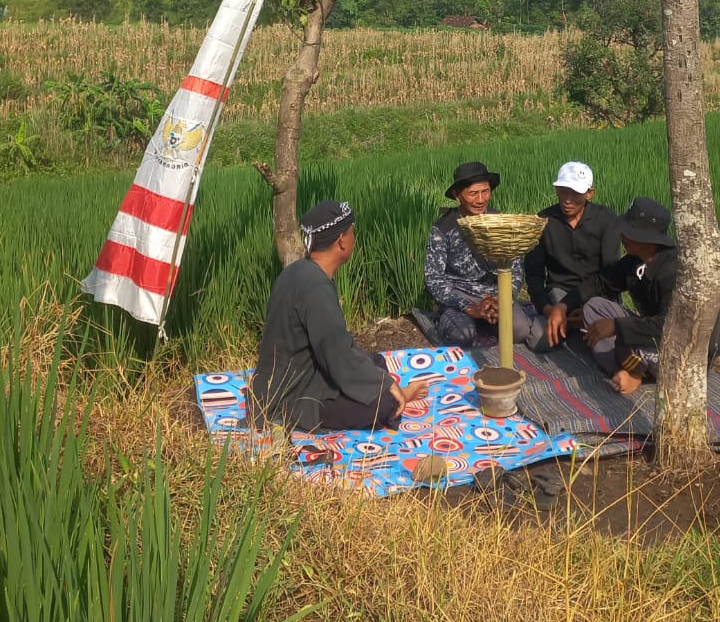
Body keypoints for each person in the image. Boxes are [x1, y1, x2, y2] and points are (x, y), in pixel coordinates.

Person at [250, 200, 431, 431]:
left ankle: (389, 389)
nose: (354, 237)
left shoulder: (297, 271)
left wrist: (375, 375)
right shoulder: (316, 288)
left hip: (289, 376)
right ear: (341, 241)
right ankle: (401, 395)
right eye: (352, 232)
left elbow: (333, 345)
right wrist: (385, 384)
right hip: (292, 396)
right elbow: (337, 355)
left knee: (376, 362)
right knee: (384, 403)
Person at [581, 196, 720, 394]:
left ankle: (636, 373)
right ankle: (623, 371)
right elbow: (601, 282)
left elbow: (671, 325)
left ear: (647, 238)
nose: (623, 237)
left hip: (684, 349)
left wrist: (617, 326)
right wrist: (563, 306)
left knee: (623, 342)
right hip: (653, 333)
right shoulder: (634, 261)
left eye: (628, 233)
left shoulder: (674, 272)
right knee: (593, 308)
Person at [424, 160, 541, 348]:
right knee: (462, 335)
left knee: (519, 332)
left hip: (495, 293)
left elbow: (516, 269)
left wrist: (503, 298)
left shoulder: (501, 223)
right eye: (473, 193)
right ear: (457, 195)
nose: (480, 200)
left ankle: (488, 320)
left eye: (485, 192)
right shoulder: (443, 228)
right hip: (460, 294)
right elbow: (433, 277)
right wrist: (467, 307)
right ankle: (450, 317)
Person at [523, 161, 621, 348]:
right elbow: (534, 273)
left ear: (589, 193)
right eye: (563, 192)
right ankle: (572, 327)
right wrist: (548, 309)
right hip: (560, 293)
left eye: (575, 194)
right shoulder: (543, 221)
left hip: (597, 294)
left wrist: (588, 310)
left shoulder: (606, 219)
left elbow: (611, 273)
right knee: (538, 340)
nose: (567, 200)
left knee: (607, 345)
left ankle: (581, 326)